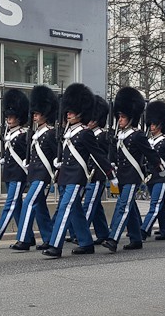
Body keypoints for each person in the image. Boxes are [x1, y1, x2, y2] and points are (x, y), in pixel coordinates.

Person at [42, 83, 114, 258]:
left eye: (72, 111)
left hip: (77, 176)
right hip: (65, 176)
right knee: (75, 210)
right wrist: (57, 163)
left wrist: (110, 174)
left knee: (66, 207)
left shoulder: (85, 133)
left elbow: (98, 155)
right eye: (68, 111)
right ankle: (86, 242)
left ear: (81, 112)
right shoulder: (67, 132)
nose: (68, 114)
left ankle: (55, 244)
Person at [102, 87, 161, 253]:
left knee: (123, 207)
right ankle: (136, 238)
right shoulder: (119, 135)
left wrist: (157, 168)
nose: (119, 119)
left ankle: (113, 238)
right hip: (121, 176)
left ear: (131, 117)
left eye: (123, 117)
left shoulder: (137, 135)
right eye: (119, 116)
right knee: (131, 207)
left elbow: (151, 154)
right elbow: (114, 156)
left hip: (133, 176)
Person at [10, 85, 58, 251]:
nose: (35, 116)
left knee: (28, 203)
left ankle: (24, 239)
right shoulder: (35, 132)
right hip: (34, 173)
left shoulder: (51, 133)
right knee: (40, 206)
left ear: (45, 113)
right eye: (35, 114)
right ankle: (49, 238)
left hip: (43, 173)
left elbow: (55, 153)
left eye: (38, 114)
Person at [0, 89, 29, 249]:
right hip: (9, 173)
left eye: (12, 117)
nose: (9, 119)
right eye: (8, 117)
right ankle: (26, 237)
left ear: (19, 117)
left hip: (18, 174)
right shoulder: (8, 133)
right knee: (16, 207)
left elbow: (27, 154)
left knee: (9, 205)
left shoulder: (23, 134)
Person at [141, 100, 165, 241]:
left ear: (160, 125)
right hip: (151, 177)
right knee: (160, 204)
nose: (151, 127)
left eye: (154, 124)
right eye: (150, 124)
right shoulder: (149, 141)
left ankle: (143, 230)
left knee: (155, 205)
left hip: (162, 177)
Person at [82, 95, 112, 245]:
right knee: (96, 206)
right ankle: (103, 233)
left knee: (89, 204)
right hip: (88, 174)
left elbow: (104, 157)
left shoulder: (103, 136)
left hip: (98, 174)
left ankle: (81, 232)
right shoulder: (87, 134)